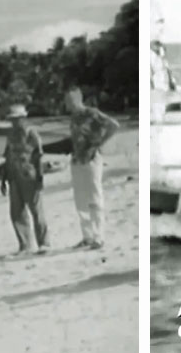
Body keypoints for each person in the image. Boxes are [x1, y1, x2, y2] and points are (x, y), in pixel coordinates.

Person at [65, 89, 119, 250]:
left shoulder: (91, 113)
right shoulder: (74, 118)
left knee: (94, 197)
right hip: (77, 160)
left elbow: (114, 125)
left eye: (68, 100)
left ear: (76, 100)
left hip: (91, 159)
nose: (66, 104)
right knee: (80, 199)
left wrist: (98, 143)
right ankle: (87, 236)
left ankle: (99, 237)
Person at [1, 104, 48, 255]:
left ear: (23, 118)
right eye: (12, 120)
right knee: (16, 213)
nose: (14, 122)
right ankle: (25, 244)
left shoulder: (31, 134)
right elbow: (7, 157)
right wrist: (3, 179)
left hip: (30, 176)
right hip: (14, 177)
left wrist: (40, 177)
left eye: (16, 119)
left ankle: (43, 243)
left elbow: (38, 157)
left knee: (36, 211)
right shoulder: (10, 135)